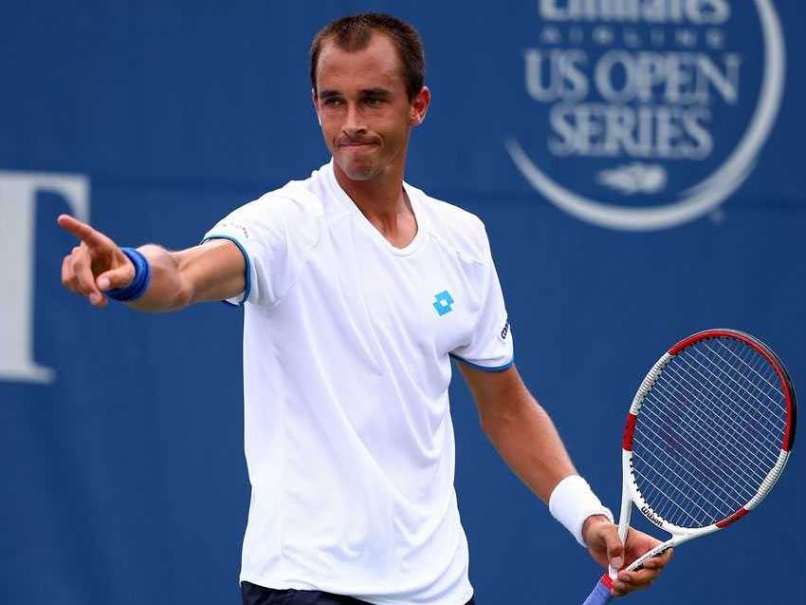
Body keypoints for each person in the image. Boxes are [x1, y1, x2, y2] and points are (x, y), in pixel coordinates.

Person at [58, 13, 671, 605]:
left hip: (440, 591)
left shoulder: (462, 239)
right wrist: (133, 272)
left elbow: (505, 406)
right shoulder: (284, 225)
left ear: (418, 106)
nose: (351, 123)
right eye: (333, 101)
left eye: (373, 100)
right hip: (306, 584)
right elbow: (185, 274)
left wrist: (588, 519)